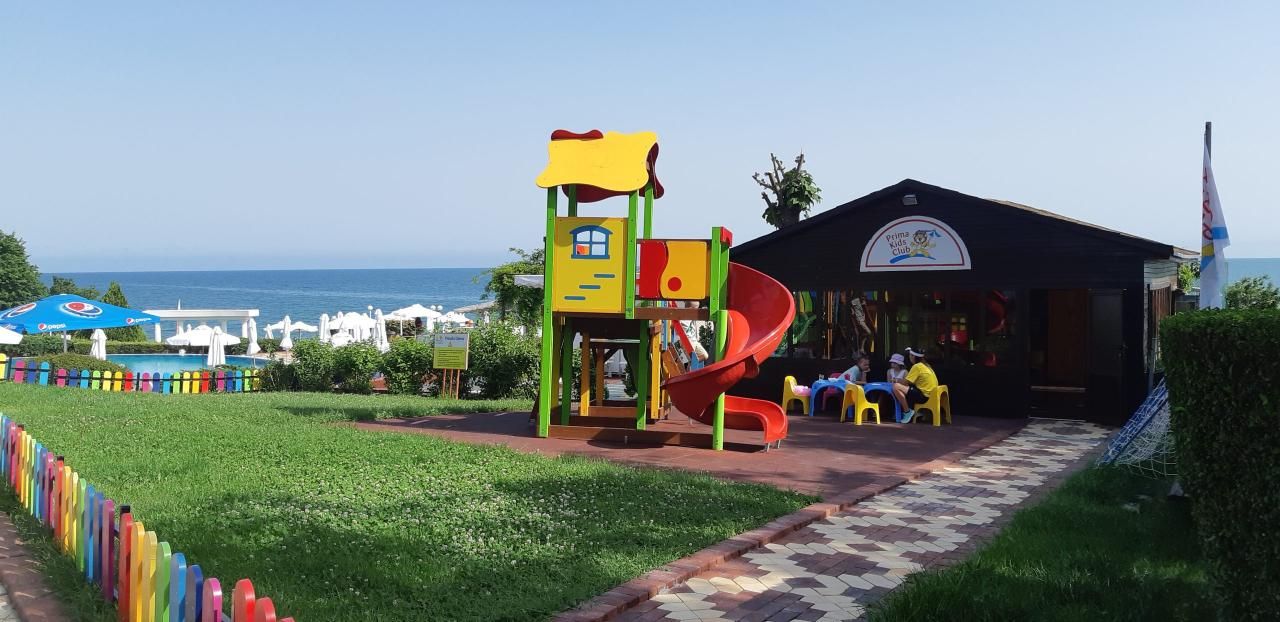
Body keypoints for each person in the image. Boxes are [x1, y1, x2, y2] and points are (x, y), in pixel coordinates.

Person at [892, 347, 938, 423]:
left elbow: (905, 383)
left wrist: (895, 380)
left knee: (896, 386)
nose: (909, 357)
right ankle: (917, 412)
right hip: (932, 395)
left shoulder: (917, 366)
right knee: (909, 389)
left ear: (914, 356)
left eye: (910, 355)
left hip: (924, 396)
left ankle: (907, 412)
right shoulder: (926, 365)